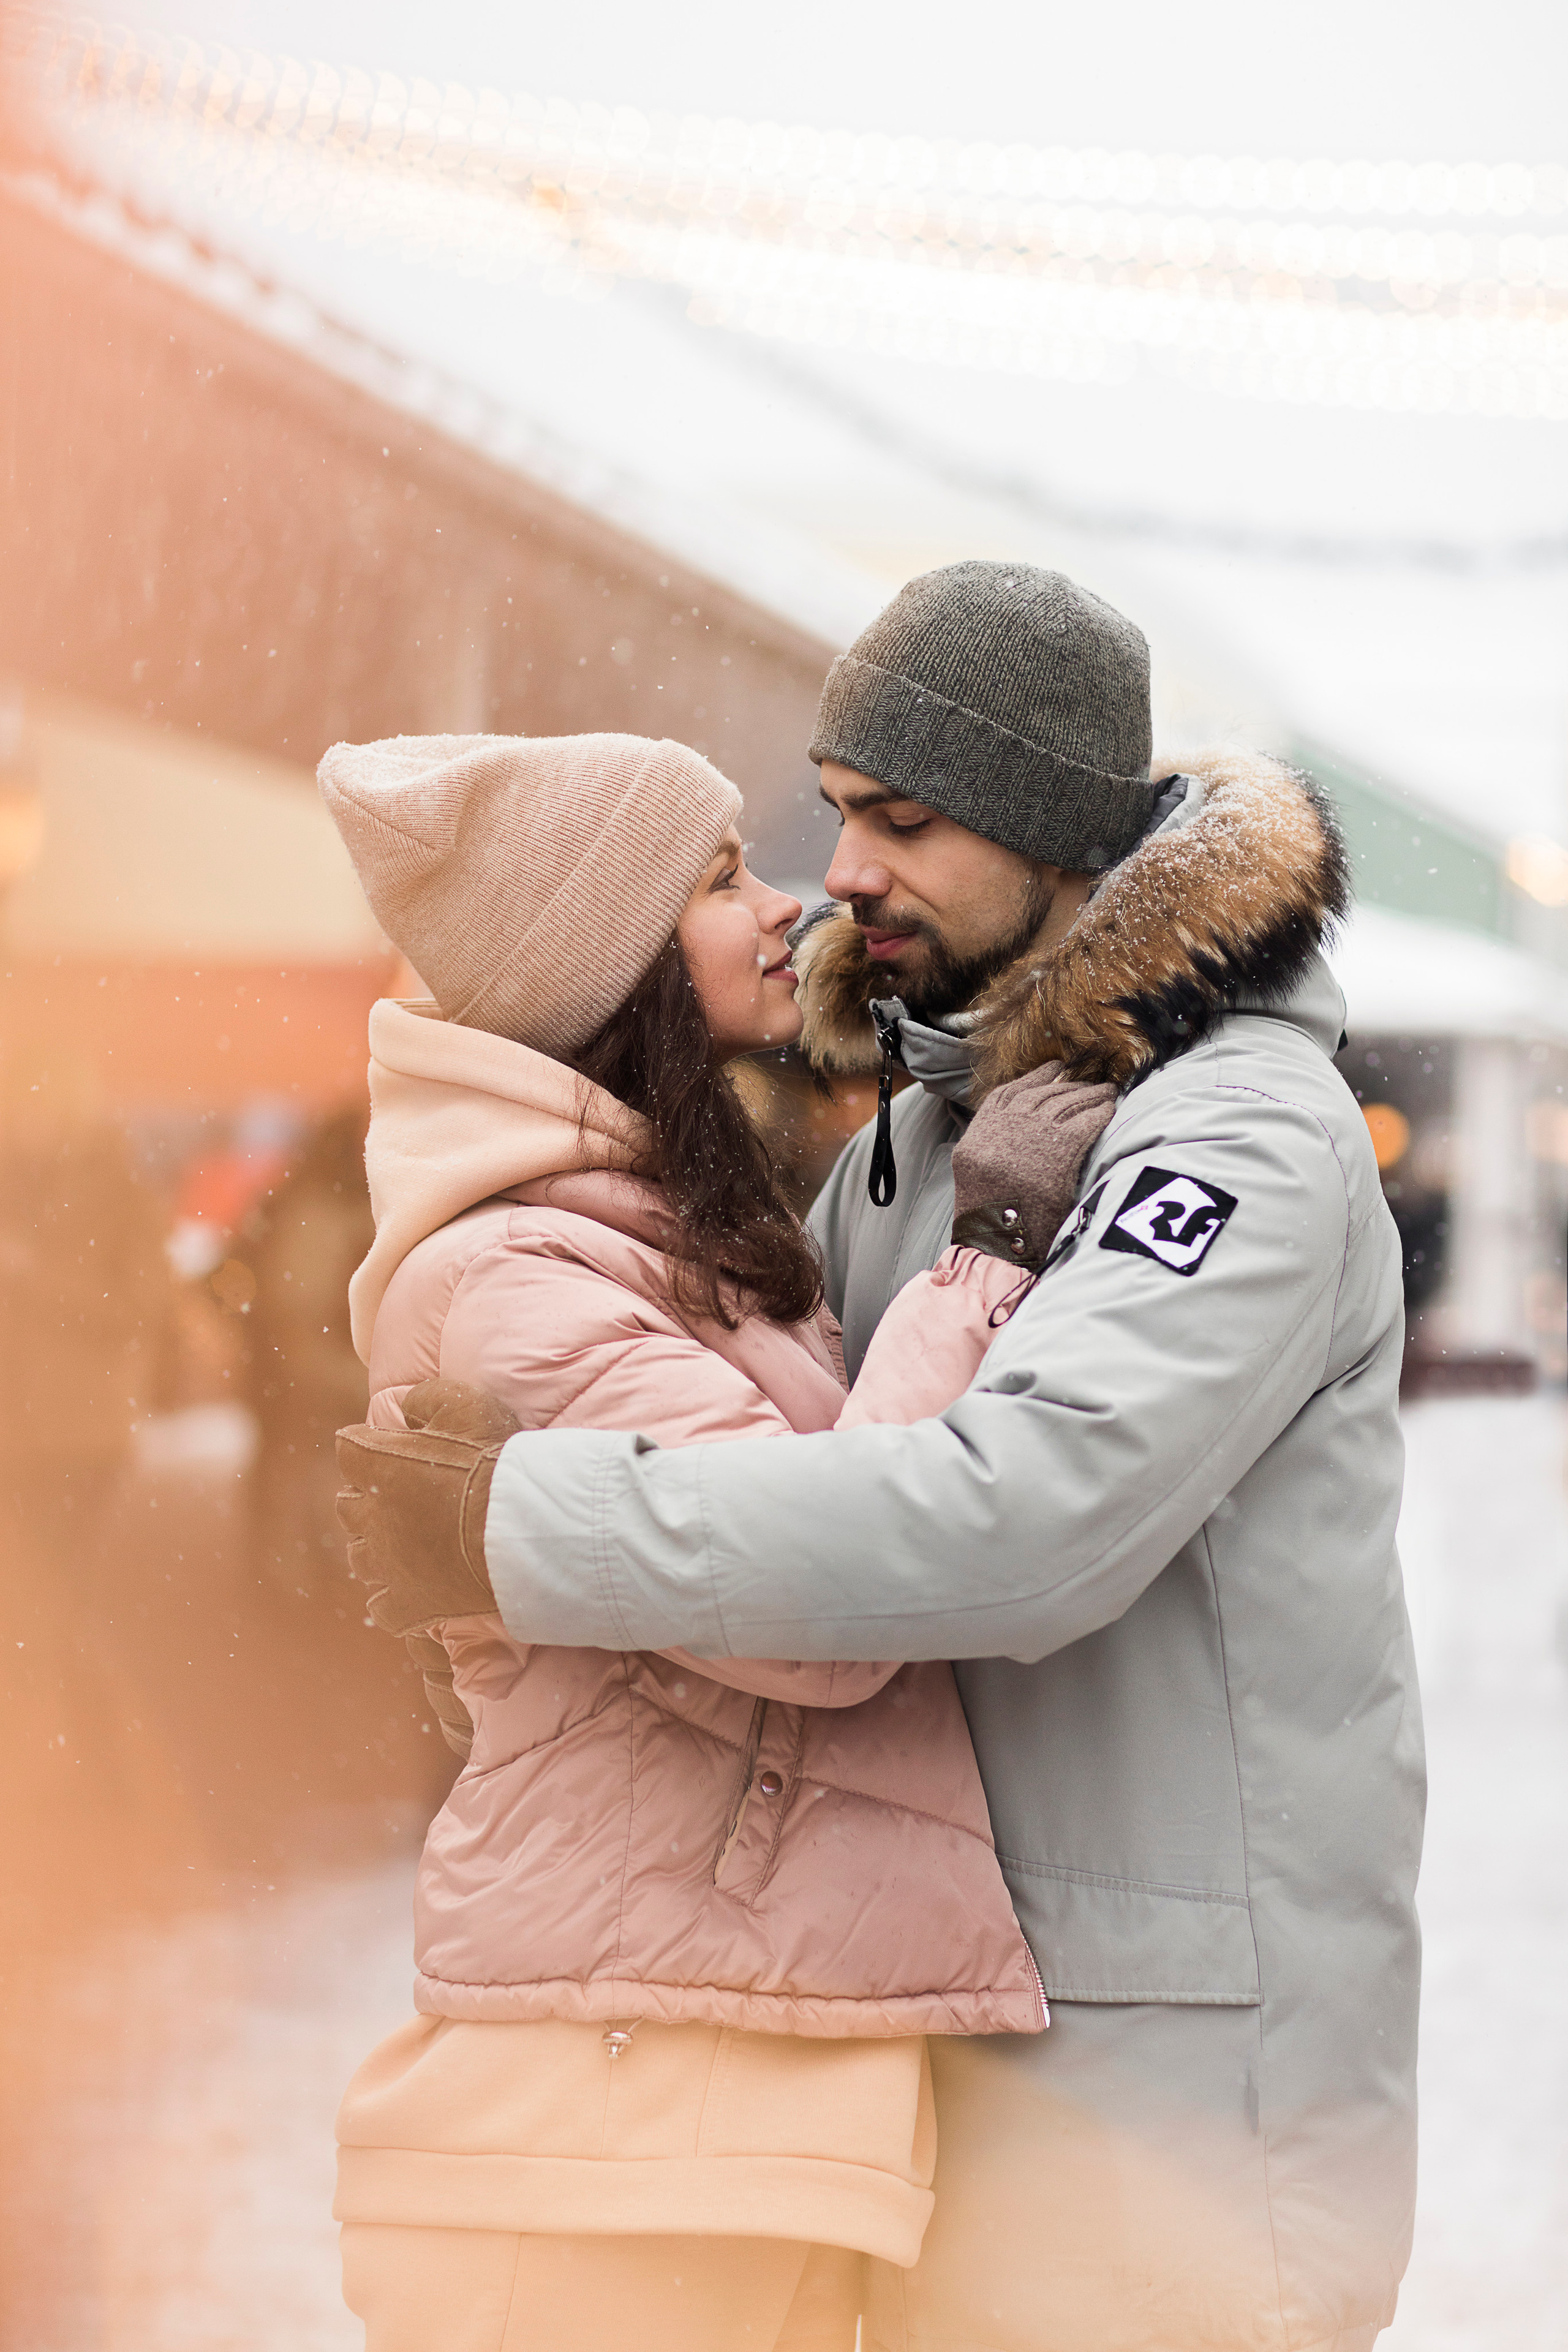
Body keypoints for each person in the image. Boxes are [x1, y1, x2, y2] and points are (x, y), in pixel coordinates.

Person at [336, 564, 1426, 2352]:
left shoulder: (1229, 1133)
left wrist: (521, 1522)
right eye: (835, 817)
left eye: (900, 822)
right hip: (957, 2066)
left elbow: (1012, 1526)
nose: (842, 878)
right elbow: (814, 1480)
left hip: (1177, 2092)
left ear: (1052, 826)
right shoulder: (931, 1140)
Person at [316, 729, 1055, 2352]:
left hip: (695, 2114)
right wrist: (986, 1262)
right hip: (613, 2135)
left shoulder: (637, 1236)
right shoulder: (517, 1285)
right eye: (723, 880)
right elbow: (819, 1598)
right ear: (615, 956)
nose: (789, 908)